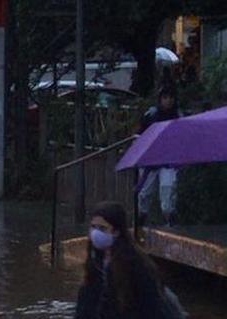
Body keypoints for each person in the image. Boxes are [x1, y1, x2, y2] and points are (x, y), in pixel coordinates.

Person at [75, 201, 185, 319]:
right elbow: (87, 302)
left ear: (116, 232)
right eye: (93, 227)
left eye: (102, 228)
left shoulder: (136, 264)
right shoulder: (95, 261)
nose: (96, 233)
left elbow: (150, 306)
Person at [137, 87, 180, 226]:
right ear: (160, 99)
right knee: (144, 194)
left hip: (168, 160)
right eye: (165, 98)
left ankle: (170, 220)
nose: (168, 101)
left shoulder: (178, 116)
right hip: (149, 160)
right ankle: (141, 220)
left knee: (168, 189)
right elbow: (140, 136)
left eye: (171, 98)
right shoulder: (150, 115)